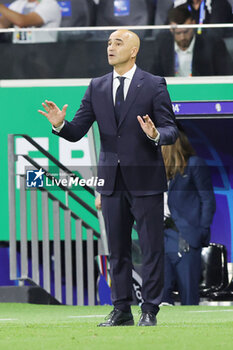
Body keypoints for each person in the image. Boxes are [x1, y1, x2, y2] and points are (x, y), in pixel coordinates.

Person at [38, 29, 178, 326]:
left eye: (118, 43)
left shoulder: (154, 85)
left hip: (146, 182)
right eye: (109, 43)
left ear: (134, 50)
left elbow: (170, 130)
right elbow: (77, 132)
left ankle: (150, 310)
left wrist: (155, 135)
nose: (111, 48)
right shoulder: (97, 86)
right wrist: (61, 125)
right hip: (111, 182)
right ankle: (122, 310)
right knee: (117, 250)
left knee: (152, 248)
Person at [161, 127, 216, 305]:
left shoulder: (193, 165)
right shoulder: (157, 170)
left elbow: (208, 200)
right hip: (162, 236)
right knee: (161, 295)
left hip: (186, 237)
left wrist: (201, 231)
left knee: (189, 295)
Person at [151, 6, 233, 76]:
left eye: (186, 31)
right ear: (171, 30)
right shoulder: (162, 45)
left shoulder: (213, 44)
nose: (182, 37)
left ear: (193, 24)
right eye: (178, 33)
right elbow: (153, 76)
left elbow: (225, 75)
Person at [154, 0, 232, 25]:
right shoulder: (180, 5)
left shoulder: (219, 4)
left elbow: (215, 34)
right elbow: (165, 32)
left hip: (210, 51)